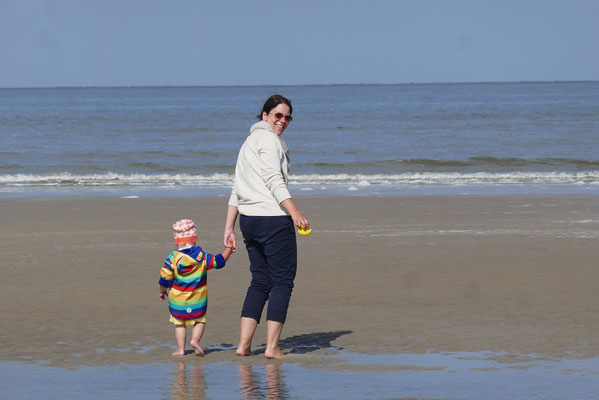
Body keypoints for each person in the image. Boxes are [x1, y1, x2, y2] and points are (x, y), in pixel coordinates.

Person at [224, 94, 309, 359]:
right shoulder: (269, 141)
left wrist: (229, 227)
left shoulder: (248, 142)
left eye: (287, 117)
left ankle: (243, 345)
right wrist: (294, 213)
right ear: (264, 115)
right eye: (278, 115)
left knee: (260, 281)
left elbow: (237, 189)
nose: (282, 121)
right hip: (272, 219)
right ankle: (272, 348)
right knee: (282, 282)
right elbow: (274, 180)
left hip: (249, 221)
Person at [159, 219, 233, 356]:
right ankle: (195, 340)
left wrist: (162, 291)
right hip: (198, 300)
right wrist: (229, 249)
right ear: (194, 239)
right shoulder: (202, 257)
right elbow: (219, 261)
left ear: (177, 241)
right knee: (199, 320)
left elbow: (165, 278)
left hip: (178, 301)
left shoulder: (173, 258)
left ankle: (181, 349)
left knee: (179, 324)